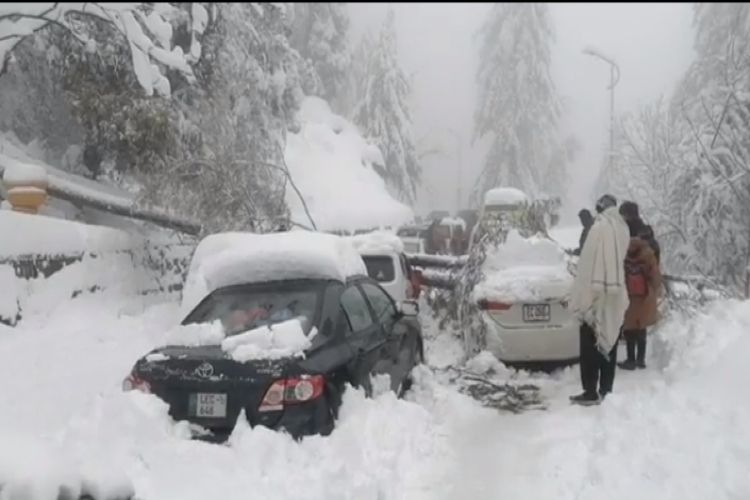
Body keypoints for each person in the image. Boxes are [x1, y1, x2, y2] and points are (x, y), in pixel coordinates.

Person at [569, 194, 631, 406]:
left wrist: (582, 293)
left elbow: (588, 264)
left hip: (596, 293)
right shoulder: (623, 227)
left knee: (589, 343)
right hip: (616, 291)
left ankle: (590, 391)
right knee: (610, 338)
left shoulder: (600, 227)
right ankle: (607, 389)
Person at [618, 202, 663, 370]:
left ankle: (630, 359)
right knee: (641, 323)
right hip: (646, 288)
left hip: (629, 288)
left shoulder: (624, 233)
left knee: (629, 323)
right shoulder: (647, 234)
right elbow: (655, 261)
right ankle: (640, 359)